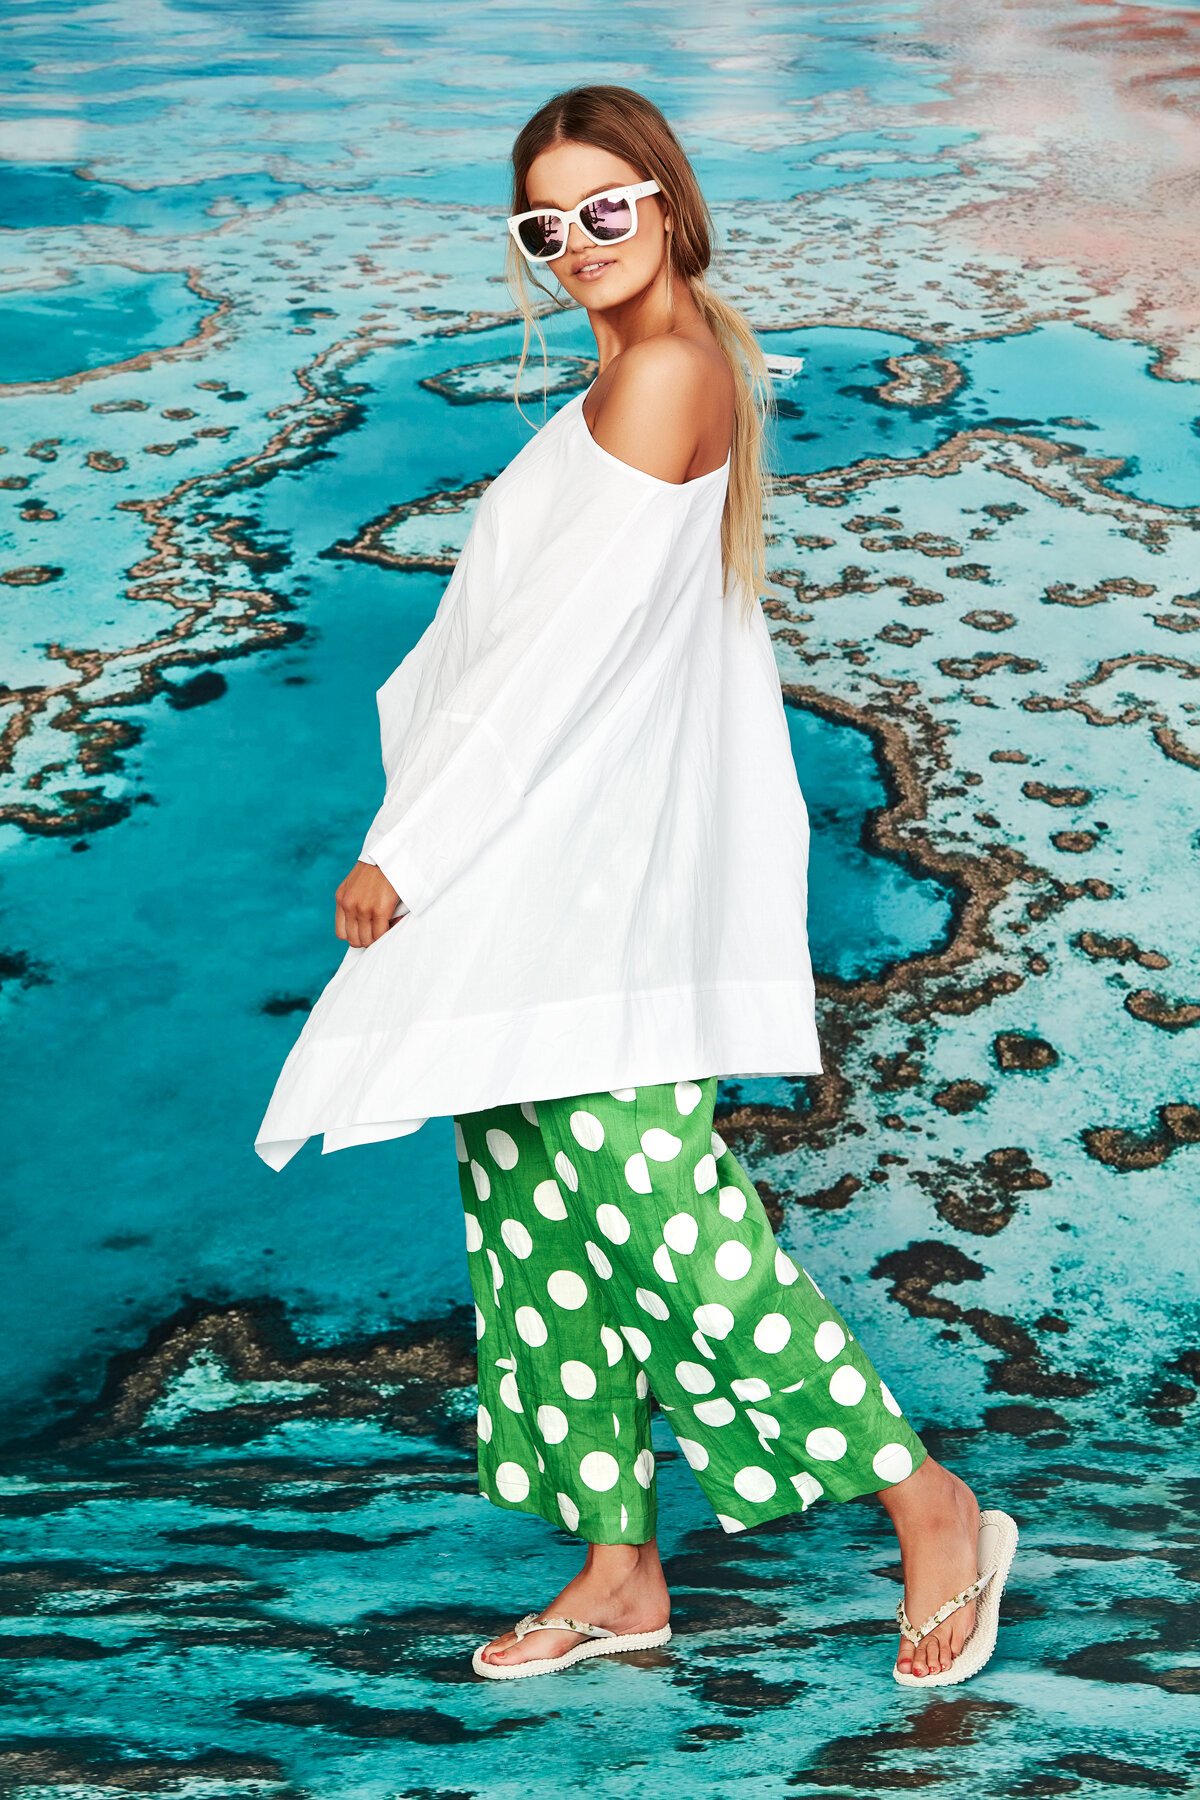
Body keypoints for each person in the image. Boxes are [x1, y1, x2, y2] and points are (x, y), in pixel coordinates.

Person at [254, 84, 1017, 1687]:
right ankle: (618, 1571)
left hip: (589, 877)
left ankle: (929, 1502)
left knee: (660, 1213)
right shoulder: (629, 374)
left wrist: (410, 844)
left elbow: (553, 659)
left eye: (607, 207)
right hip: (545, 866)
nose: (579, 241)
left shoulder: (671, 371)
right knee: (535, 1214)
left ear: (665, 199)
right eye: (547, 223)